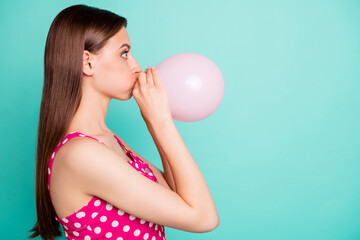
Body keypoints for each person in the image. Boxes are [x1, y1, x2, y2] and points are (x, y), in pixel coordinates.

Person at [29, 4, 219, 240]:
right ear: (87, 62)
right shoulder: (80, 154)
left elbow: (179, 196)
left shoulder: (107, 140)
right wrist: (161, 122)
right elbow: (204, 218)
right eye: (124, 53)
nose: (136, 67)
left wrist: (156, 122)